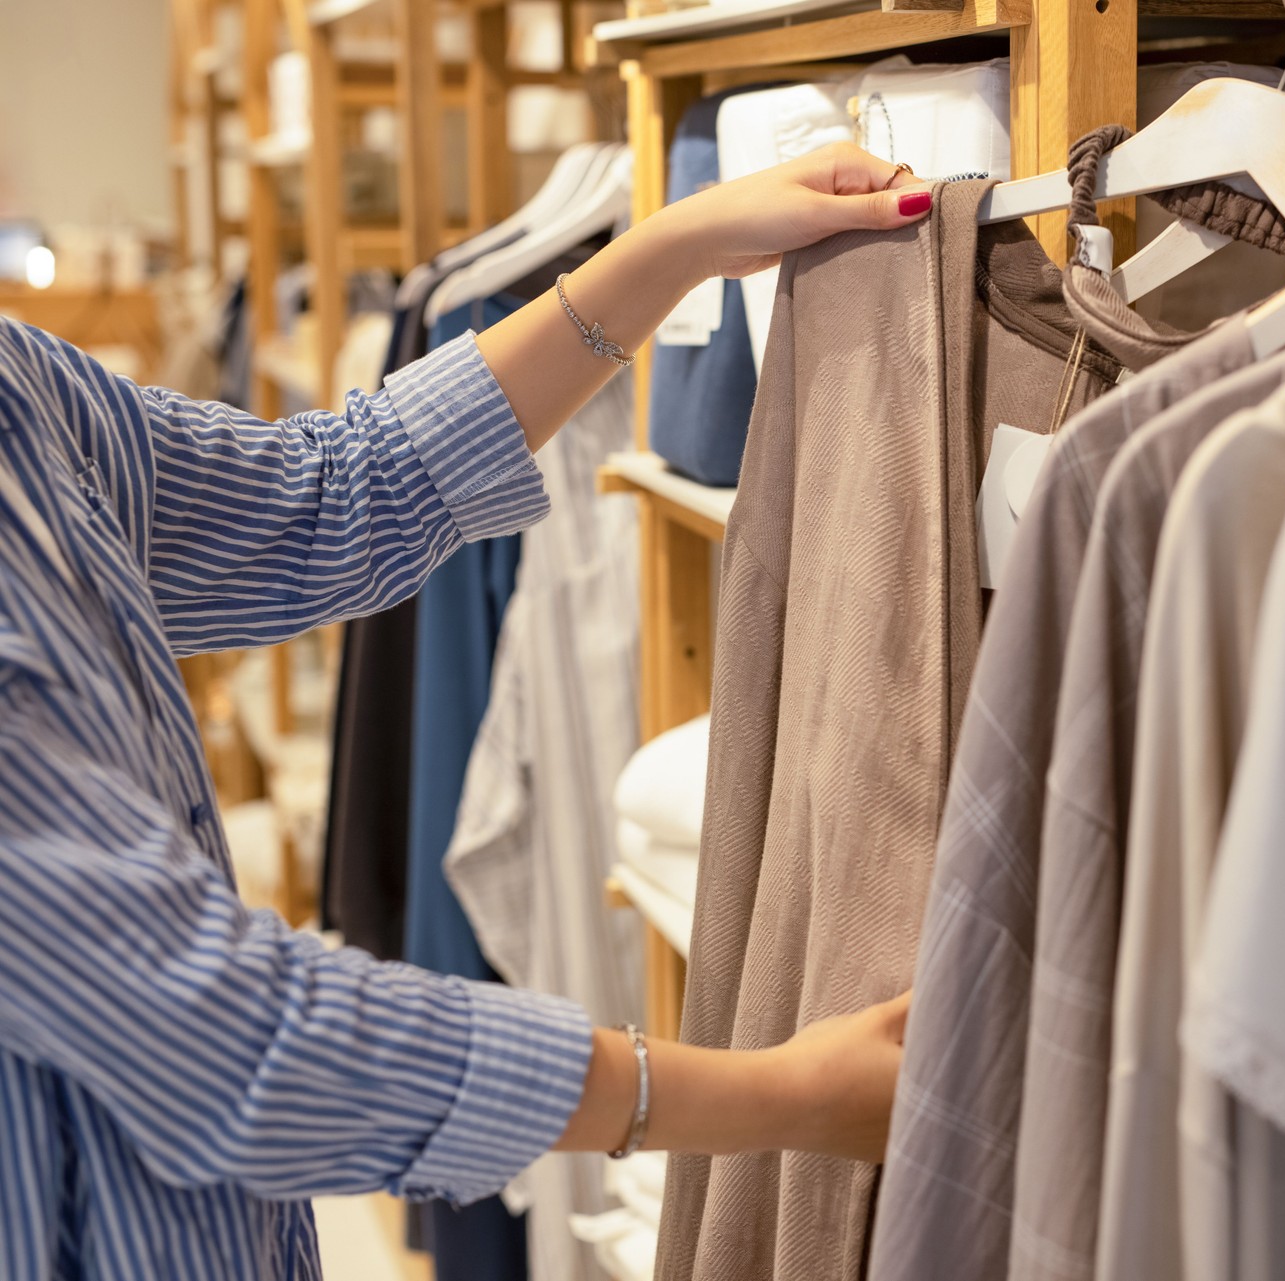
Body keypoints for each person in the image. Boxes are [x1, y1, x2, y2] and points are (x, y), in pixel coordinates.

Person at [0, 144, 934, 1278]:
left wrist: (669, 250)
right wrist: (779, 1096)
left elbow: (322, 496)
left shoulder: (17, 392)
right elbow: (230, 1035)